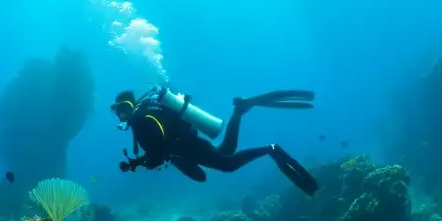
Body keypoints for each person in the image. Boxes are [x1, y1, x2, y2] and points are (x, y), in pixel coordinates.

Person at [111, 85, 319, 196]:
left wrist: (141, 163)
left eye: (124, 110)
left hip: (188, 148)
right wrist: (140, 162)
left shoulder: (143, 121)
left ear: (132, 106)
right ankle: (239, 109)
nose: (121, 115)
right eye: (118, 112)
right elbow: (159, 148)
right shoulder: (144, 117)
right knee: (227, 151)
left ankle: (271, 149)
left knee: (227, 164)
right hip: (186, 149)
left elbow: (159, 150)